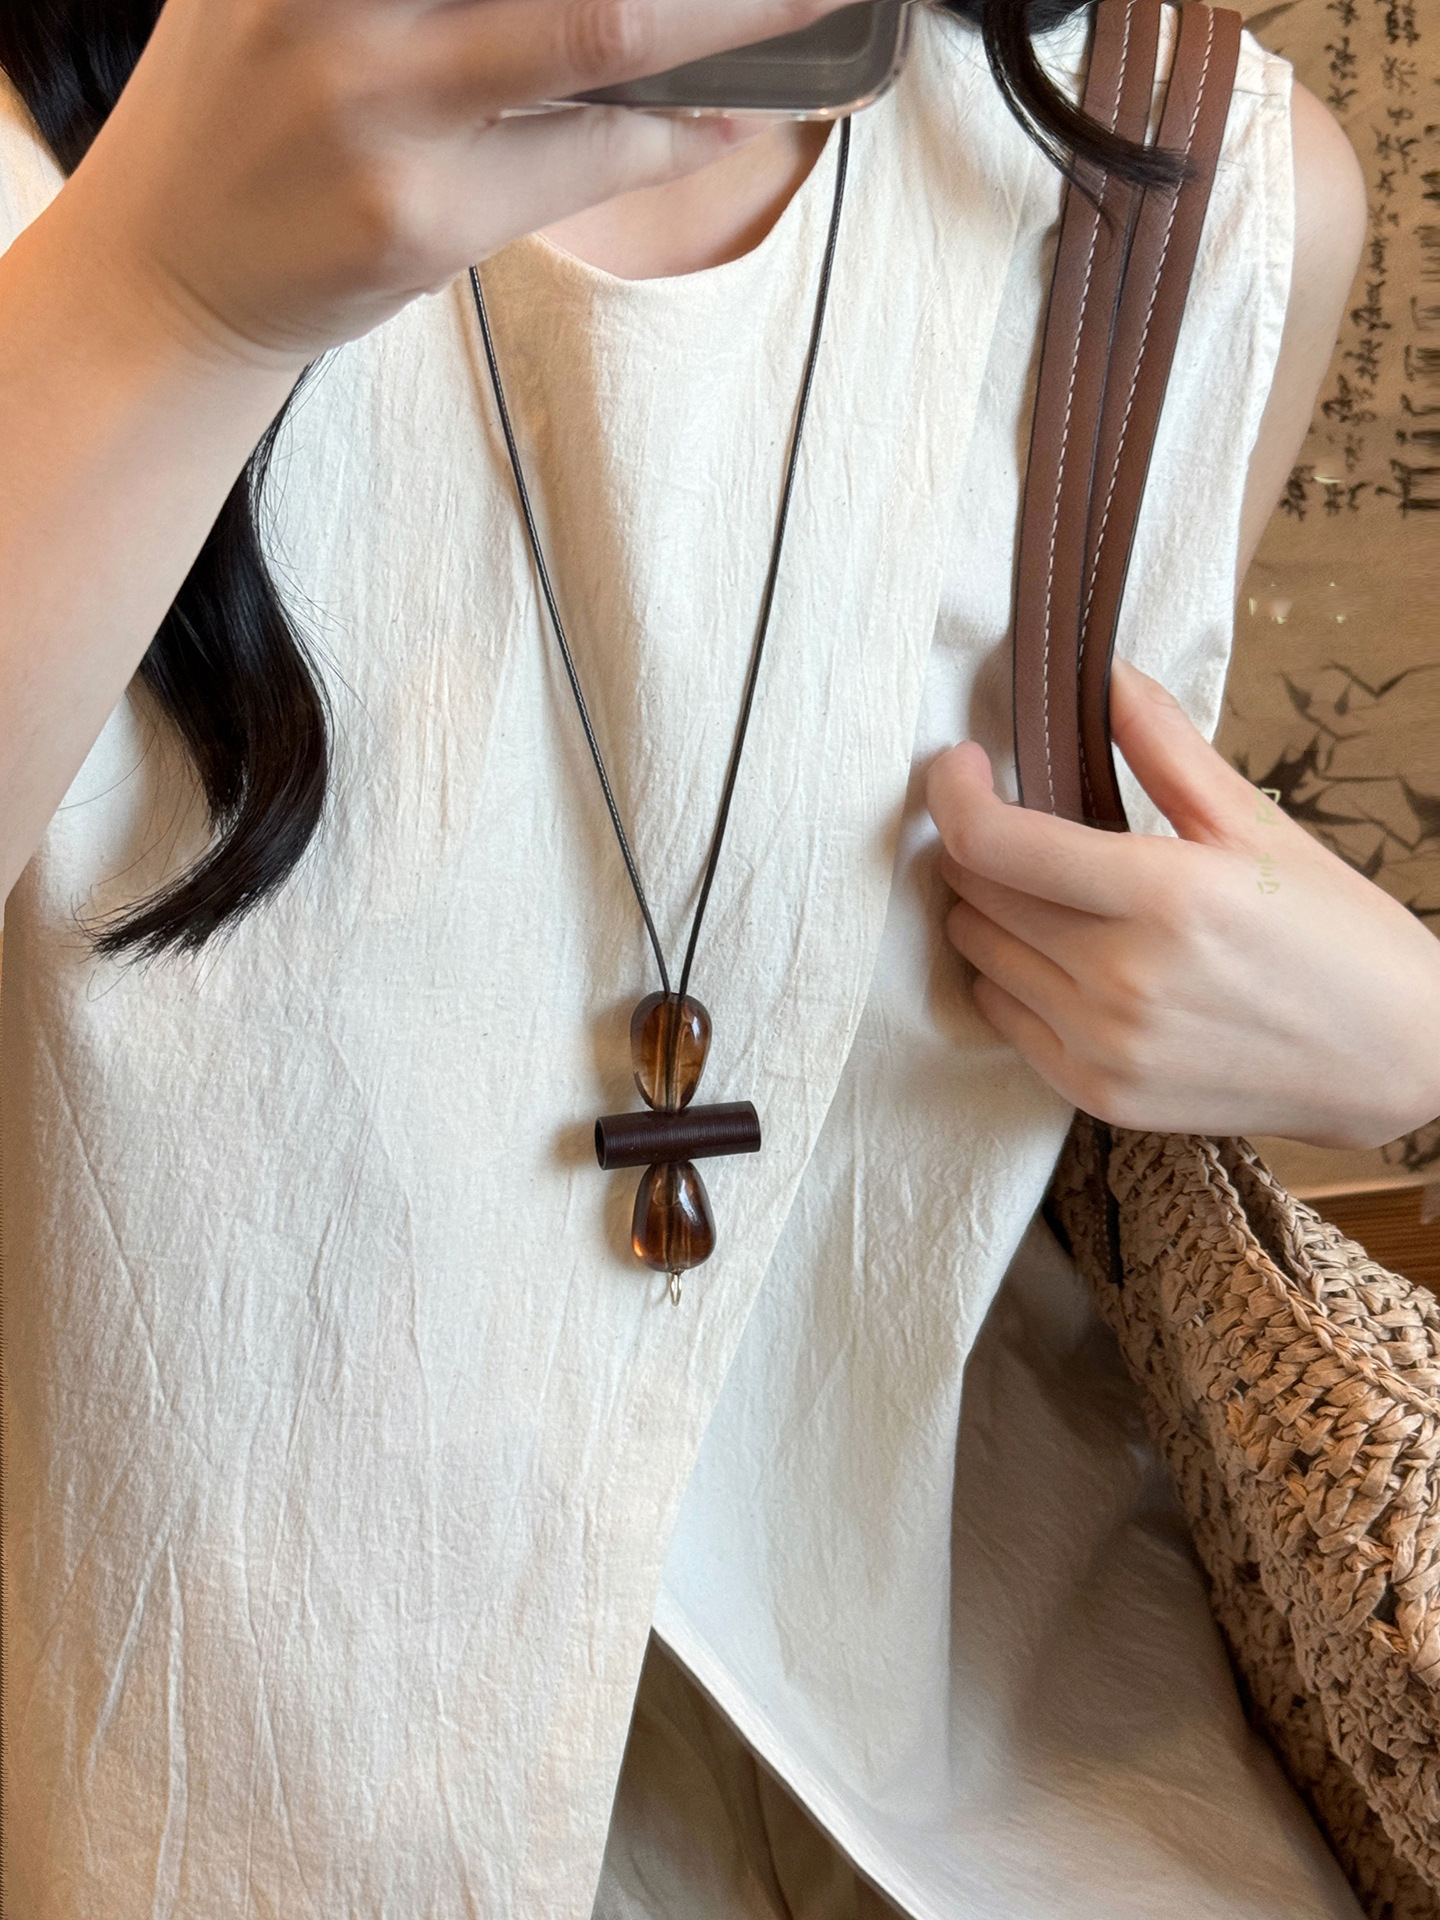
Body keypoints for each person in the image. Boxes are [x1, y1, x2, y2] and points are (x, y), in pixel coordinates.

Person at [1, 0, 1436, 1913]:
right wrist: (165, 302)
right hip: (206, 1797)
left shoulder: (1187, 188)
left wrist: (1415, 1048)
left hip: (988, 1783)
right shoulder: (61, 160)